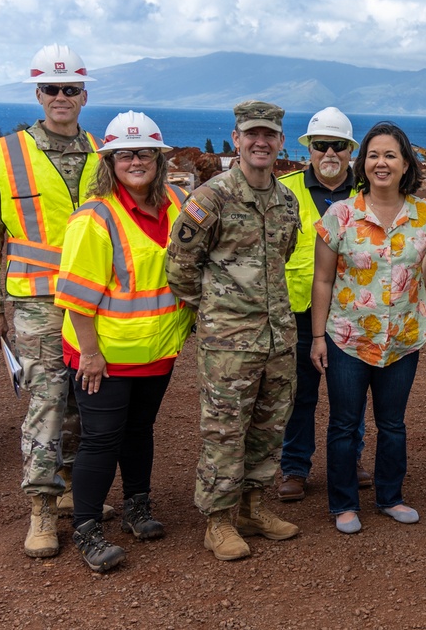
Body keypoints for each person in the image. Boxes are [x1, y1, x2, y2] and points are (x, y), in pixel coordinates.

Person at [0, 44, 114, 558]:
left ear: (83, 94)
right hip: (37, 300)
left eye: (69, 88)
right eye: (51, 89)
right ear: (38, 93)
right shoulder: (7, 155)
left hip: (93, 304)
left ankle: (73, 486)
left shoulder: (101, 153)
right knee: (48, 402)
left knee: (84, 398)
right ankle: (42, 509)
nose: (60, 97)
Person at [55, 111, 193, 572]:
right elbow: (75, 297)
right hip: (104, 355)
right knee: (100, 440)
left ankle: (137, 506)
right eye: (125, 154)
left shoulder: (177, 201)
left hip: (155, 351)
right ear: (109, 161)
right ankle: (88, 529)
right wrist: (90, 354)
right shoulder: (95, 218)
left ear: (159, 157)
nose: (136, 161)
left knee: (139, 431)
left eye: (144, 153)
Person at [166, 100, 301, 561]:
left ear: (281, 142)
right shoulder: (211, 197)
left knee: (268, 426)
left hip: (277, 337)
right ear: (237, 139)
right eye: (251, 135)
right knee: (224, 431)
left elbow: (281, 258)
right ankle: (218, 521)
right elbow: (181, 268)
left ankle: (252, 507)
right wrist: (217, 315)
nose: (260, 142)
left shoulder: (286, 199)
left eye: (269, 135)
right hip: (228, 343)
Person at [310, 122, 426, 534]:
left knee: (393, 423)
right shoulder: (340, 215)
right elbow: (322, 279)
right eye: (373, 155)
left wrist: (419, 282)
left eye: (390, 155)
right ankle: (344, 504)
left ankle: (390, 497)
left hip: (403, 337)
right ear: (362, 163)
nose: (380, 163)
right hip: (347, 337)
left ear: (406, 162)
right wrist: (317, 337)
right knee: (343, 423)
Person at [277, 107, 371, 502]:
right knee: (299, 394)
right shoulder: (283, 189)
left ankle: (350, 460)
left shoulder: (369, 195)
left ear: (350, 150)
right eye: (320, 145)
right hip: (298, 311)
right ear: (309, 150)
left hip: (355, 311)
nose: (329, 153)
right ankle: (295, 466)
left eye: (338, 145)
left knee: (351, 395)